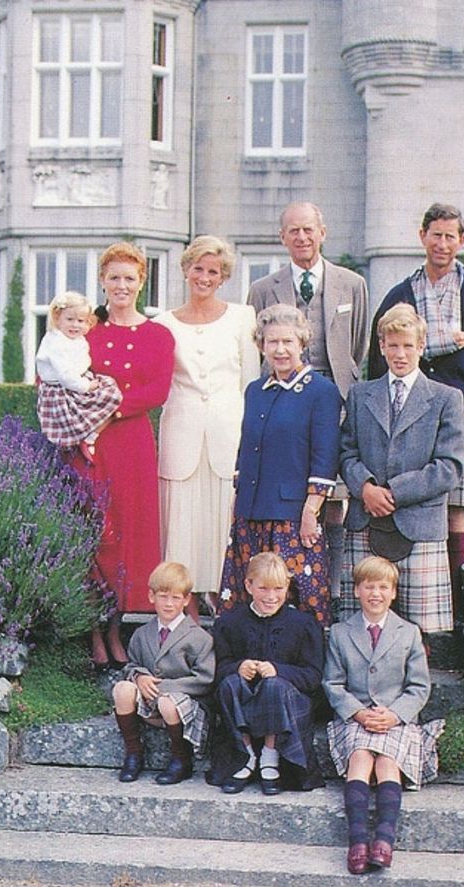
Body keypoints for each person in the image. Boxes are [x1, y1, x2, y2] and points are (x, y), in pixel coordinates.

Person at [367, 203, 464, 620]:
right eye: (436, 235)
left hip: (459, 407)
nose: (442, 243)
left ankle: (459, 605)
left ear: (461, 241)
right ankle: (413, 607)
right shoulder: (401, 294)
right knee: (413, 503)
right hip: (410, 413)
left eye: (451, 236)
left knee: (455, 508)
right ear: (422, 236)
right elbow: (379, 359)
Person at [248, 202, 369, 604]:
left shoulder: (351, 284)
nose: (302, 237)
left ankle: (329, 589)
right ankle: (282, 591)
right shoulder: (263, 289)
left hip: (334, 401)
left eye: (308, 230)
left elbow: (358, 345)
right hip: (283, 403)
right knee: (288, 495)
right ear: (282, 237)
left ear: (323, 232)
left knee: (331, 498)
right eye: (293, 231)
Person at [75, 242, 175, 668]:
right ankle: (92, 630)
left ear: (141, 282)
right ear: (102, 281)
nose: (121, 285)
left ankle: (117, 628)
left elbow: (157, 389)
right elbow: (55, 377)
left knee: (130, 534)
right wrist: (81, 423)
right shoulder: (83, 331)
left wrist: (112, 405)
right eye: (113, 277)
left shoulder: (157, 335)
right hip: (88, 442)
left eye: (129, 278)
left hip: (131, 442)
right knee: (96, 531)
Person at [340, 304, 464, 635]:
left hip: (419, 523)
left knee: (419, 632)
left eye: (408, 346)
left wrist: (395, 493)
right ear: (381, 346)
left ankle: (415, 686)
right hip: (366, 520)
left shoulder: (445, 399)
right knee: (360, 625)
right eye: (392, 345)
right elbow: (346, 452)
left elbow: (449, 467)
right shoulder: (359, 395)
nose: (400, 354)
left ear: (421, 347)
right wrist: (365, 487)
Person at [154, 236, 259, 622]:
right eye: (198, 268)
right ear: (185, 270)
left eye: (213, 271)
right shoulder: (162, 323)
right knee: (180, 524)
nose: (204, 276)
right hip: (180, 433)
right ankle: (186, 610)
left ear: (224, 277)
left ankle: (225, 606)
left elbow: (250, 383)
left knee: (222, 523)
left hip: (227, 434)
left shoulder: (242, 317)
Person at [217, 304, 342, 627]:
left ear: (302, 343)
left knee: (294, 594)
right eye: (272, 342)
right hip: (252, 509)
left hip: (292, 514)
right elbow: (247, 447)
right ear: (261, 346)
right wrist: (238, 496)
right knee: (251, 591)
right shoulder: (255, 391)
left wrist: (311, 510)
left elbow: (325, 455)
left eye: (288, 342)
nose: (281, 349)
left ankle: (298, 668)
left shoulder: (321, 392)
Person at [323, 556, 443, 875]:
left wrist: (395, 715)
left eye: (382, 587)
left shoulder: (408, 633)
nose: (375, 593)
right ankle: (358, 840)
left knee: (388, 761)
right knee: (361, 757)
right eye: (368, 586)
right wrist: (359, 713)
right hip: (357, 716)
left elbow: (419, 686)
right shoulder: (340, 632)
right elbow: (332, 683)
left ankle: (384, 840)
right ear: (357, 591)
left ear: (393, 592)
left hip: (396, 717)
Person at [208, 552, 324, 795]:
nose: (271, 597)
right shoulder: (230, 623)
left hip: (287, 703)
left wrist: (279, 670)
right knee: (230, 683)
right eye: (263, 588)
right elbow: (217, 670)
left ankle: (271, 757)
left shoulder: (303, 624)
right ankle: (247, 757)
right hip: (244, 704)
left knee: (274, 684)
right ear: (248, 585)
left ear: (287, 587)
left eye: (278, 589)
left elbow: (313, 676)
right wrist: (237, 667)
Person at [113, 561, 215, 785]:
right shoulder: (142, 634)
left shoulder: (200, 637)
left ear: (186, 600)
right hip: (150, 703)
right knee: (122, 689)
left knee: (169, 703)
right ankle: (133, 753)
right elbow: (131, 665)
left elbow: (205, 680)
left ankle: (181, 759)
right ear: (151, 596)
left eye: (176, 598)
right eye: (163, 596)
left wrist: (165, 688)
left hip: (184, 706)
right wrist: (139, 677)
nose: (169, 604)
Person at [36, 291, 122, 463]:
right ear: (57, 318)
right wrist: (86, 386)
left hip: (77, 380)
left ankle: (91, 434)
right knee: (83, 411)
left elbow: (80, 362)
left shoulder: (77, 338)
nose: (75, 325)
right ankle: (82, 437)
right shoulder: (56, 342)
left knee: (111, 390)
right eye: (70, 319)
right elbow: (66, 375)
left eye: (81, 321)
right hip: (61, 389)